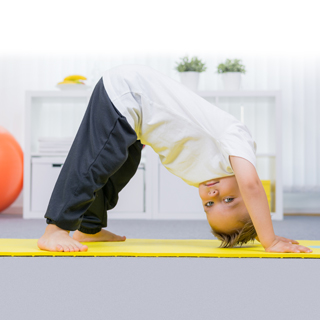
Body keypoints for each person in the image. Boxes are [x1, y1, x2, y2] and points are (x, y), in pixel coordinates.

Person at [37, 64, 312, 254]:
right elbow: (252, 184)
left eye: (209, 204)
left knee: (115, 170)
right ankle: (56, 228)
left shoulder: (201, 175)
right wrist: (270, 239)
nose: (214, 194)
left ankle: (89, 228)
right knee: (93, 162)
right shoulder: (237, 142)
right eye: (229, 199)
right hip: (128, 92)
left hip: (138, 123)